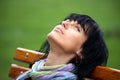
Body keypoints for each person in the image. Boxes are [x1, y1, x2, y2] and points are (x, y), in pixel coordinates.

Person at [16, 13, 108, 80]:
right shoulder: (34, 72)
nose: (64, 22)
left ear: (82, 51)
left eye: (77, 28)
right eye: (67, 21)